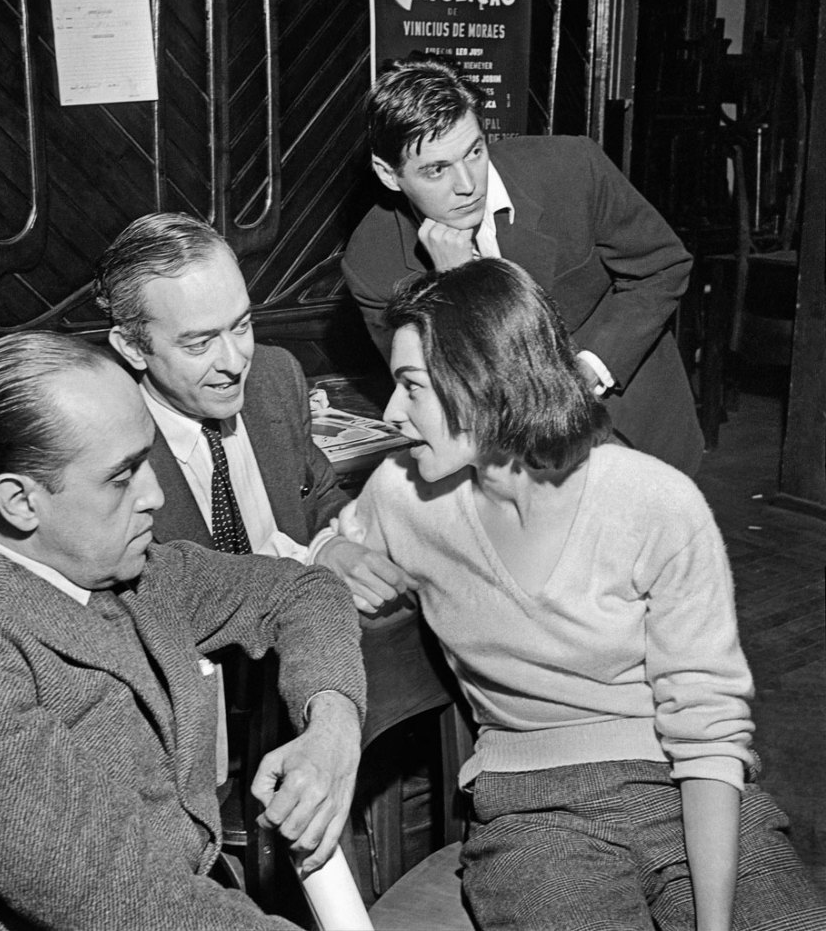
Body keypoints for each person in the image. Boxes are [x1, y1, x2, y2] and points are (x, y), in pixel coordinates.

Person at [337, 258, 826, 931]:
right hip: (532, 814)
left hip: (679, 780)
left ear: (485, 382)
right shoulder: (402, 494)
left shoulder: (653, 500)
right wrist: (335, 549)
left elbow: (708, 732)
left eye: (411, 386)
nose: (391, 413)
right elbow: (316, 560)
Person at [0, 331, 365, 931]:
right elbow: (120, 899)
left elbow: (301, 589)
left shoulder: (126, 569)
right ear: (19, 502)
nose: (155, 495)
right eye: (121, 478)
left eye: (147, 460)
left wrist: (332, 723)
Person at [341, 55, 704, 477]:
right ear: (389, 174)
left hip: (628, 426)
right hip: (497, 463)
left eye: (474, 151)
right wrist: (457, 286)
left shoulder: (572, 170)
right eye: (436, 170)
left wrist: (590, 369)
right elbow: (433, 387)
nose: (467, 184)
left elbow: (663, 266)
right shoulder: (372, 262)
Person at [94, 211, 412, 614]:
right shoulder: (103, 443)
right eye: (199, 344)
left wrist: (331, 544)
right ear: (133, 348)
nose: (235, 361)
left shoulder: (275, 375)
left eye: (242, 325)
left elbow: (316, 498)